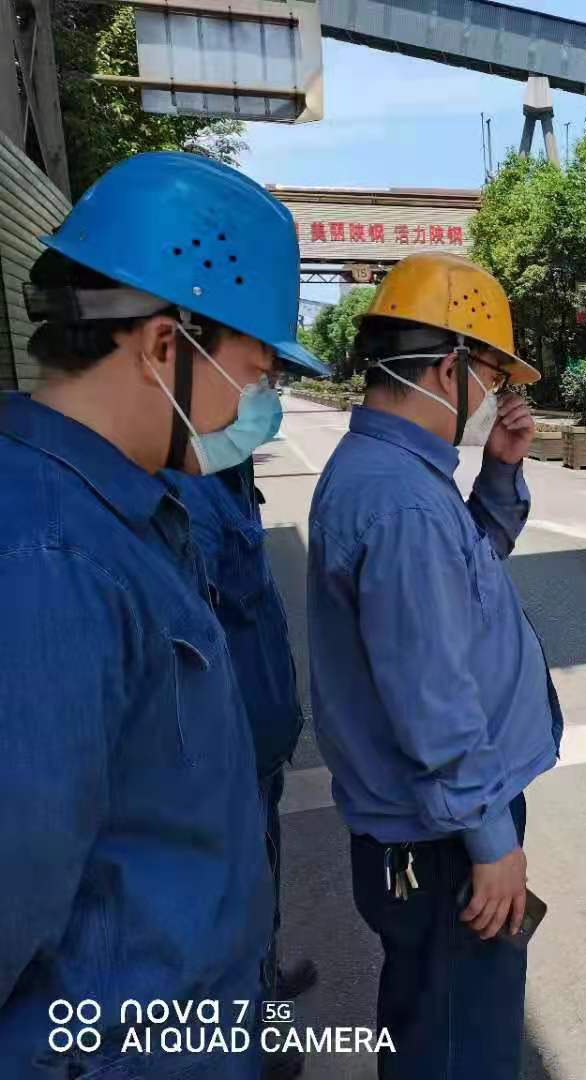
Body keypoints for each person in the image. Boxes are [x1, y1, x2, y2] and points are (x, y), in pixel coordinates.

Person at [0, 152, 326, 1078]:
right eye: (256, 373)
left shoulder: (129, 513)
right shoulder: (46, 564)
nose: (261, 406)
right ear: (161, 346)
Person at [307, 252, 564, 1079]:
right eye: (493, 376)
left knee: (429, 1022)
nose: (497, 397)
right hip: (446, 833)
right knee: (462, 1045)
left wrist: (501, 471)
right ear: (450, 369)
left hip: (435, 822)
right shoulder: (403, 501)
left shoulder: (398, 475)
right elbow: (433, 695)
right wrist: (491, 840)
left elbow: (465, 576)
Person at [165, 456, 318, 1079]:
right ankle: (257, 1032)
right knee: (240, 910)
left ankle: (266, 989)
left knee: (263, 890)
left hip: (259, 744)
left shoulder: (228, 476)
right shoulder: (191, 495)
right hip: (231, 757)